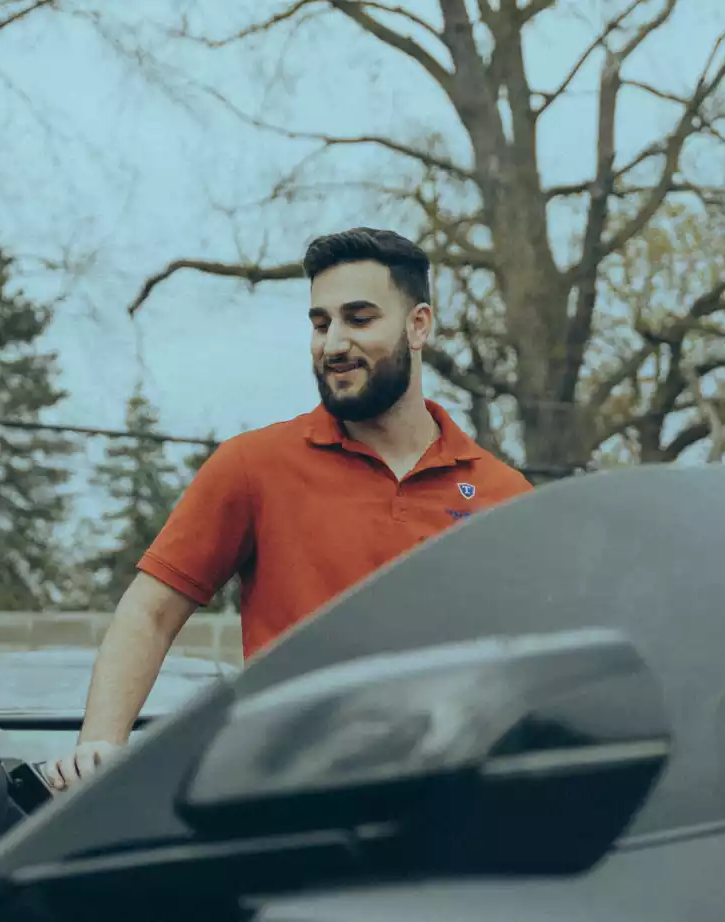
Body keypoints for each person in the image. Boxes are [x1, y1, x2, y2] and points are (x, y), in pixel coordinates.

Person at [45, 227, 534, 789]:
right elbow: (150, 614)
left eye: (359, 318)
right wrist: (99, 748)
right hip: (286, 804)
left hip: (449, 810)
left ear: (418, 325)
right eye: (320, 323)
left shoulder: (504, 494)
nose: (333, 345)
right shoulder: (253, 466)